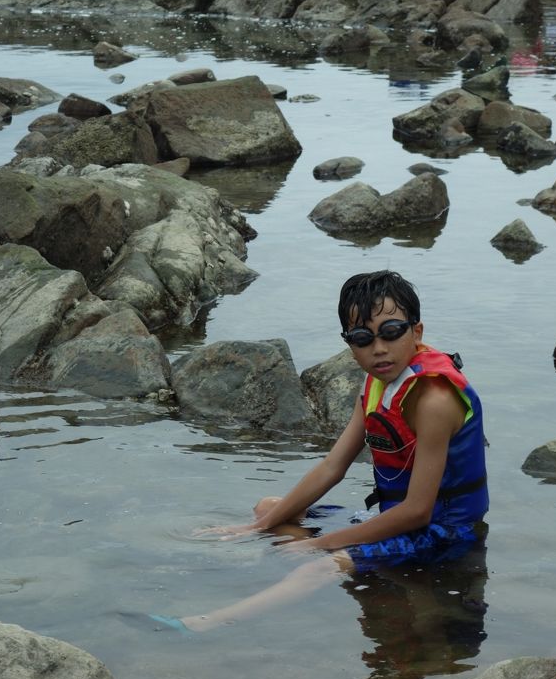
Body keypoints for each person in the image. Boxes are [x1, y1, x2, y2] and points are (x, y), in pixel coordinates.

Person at [150, 270, 489, 632]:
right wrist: (255, 527)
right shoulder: (377, 384)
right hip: (398, 521)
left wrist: (321, 548)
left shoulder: (434, 400)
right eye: (363, 338)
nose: (378, 348)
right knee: (270, 509)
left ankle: (207, 623)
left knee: (320, 565)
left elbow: (419, 512)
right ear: (349, 343)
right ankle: (372, 577)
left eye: (392, 332)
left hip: (446, 532)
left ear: (416, 332)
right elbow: (332, 466)